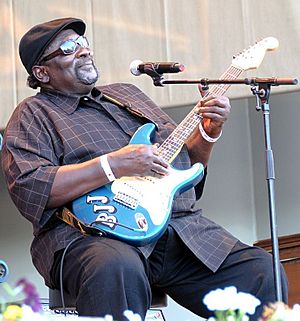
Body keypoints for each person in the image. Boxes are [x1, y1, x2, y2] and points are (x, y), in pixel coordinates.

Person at [2, 17, 288, 321]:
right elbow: (29, 187)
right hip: (92, 236)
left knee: (263, 273)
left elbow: (185, 170)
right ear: (41, 72)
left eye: (84, 44)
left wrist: (209, 131)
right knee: (116, 267)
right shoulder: (33, 114)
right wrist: (113, 165)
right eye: (69, 48)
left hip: (178, 232)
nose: (84, 51)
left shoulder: (129, 96)